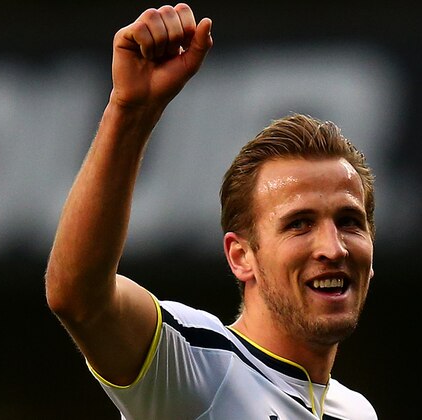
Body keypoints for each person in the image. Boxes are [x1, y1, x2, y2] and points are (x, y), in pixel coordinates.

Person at [45, 3, 378, 419]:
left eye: (348, 222)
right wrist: (128, 113)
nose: (333, 247)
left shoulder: (356, 411)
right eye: (299, 224)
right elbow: (79, 296)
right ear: (241, 256)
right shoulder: (200, 365)